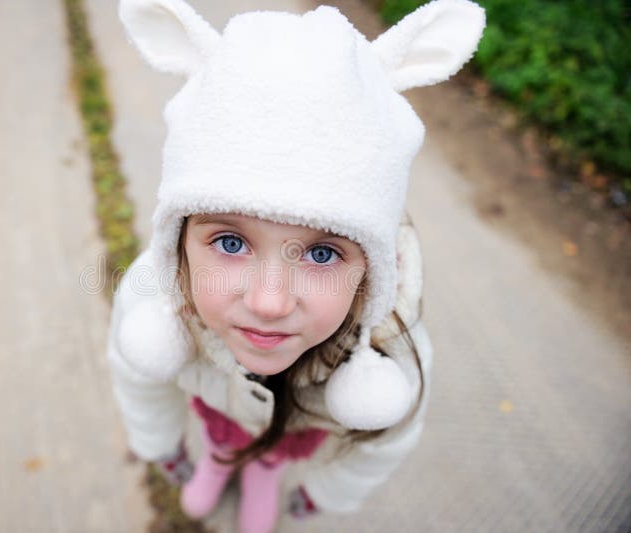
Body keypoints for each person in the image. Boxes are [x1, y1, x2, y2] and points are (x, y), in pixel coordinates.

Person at [106, 0, 485, 531]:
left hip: (289, 441)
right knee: (219, 444)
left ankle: (263, 469)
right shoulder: (156, 300)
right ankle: (221, 459)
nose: (268, 302)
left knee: (268, 459)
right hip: (223, 421)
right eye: (231, 242)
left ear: (370, 271)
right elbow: (138, 379)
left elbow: (383, 446)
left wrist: (324, 493)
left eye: (323, 253)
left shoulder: (390, 352)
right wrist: (161, 443)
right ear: (180, 242)